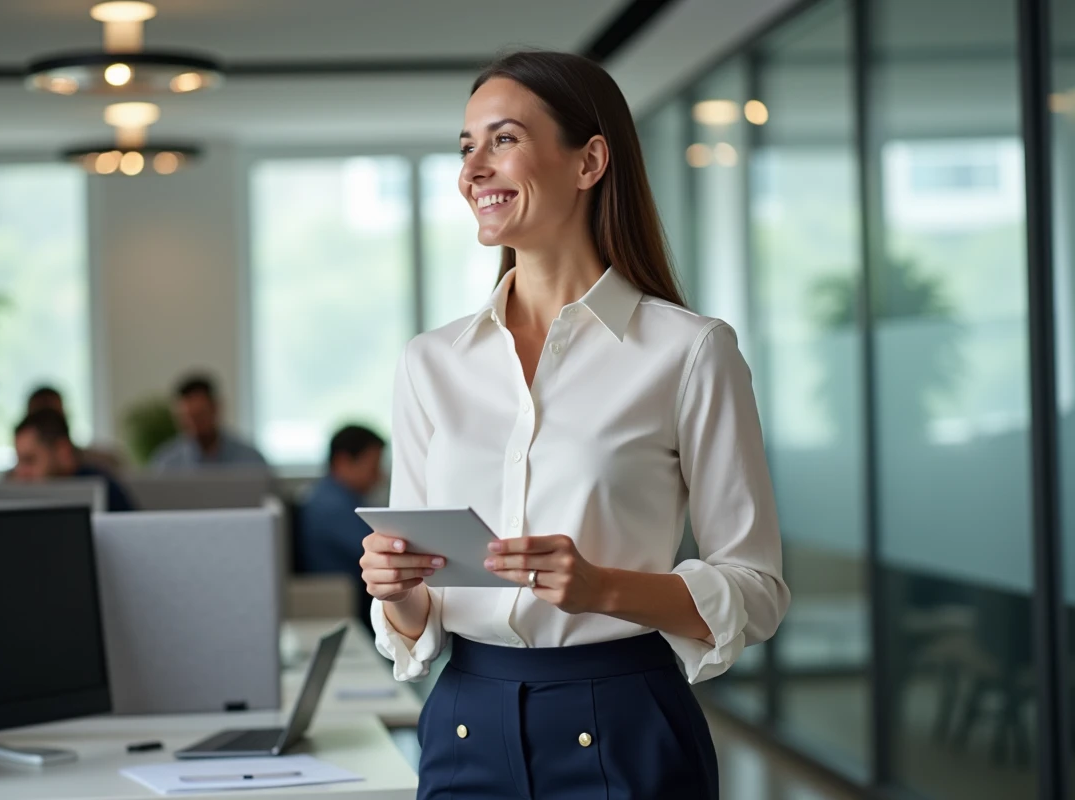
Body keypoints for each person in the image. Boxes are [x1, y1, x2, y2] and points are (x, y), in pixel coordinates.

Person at [360, 51, 790, 798]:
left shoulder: (690, 351)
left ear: (589, 161)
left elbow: (756, 589)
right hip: (463, 723)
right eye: (466, 147)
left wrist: (601, 587)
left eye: (503, 140)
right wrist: (394, 589)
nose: (473, 171)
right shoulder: (431, 362)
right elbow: (422, 604)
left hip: (625, 724)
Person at [296, 425, 387, 626]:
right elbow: (380, 549)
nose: (380, 476)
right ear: (343, 462)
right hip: (343, 603)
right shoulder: (332, 506)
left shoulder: (334, 496)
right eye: (373, 467)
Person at [13, 408, 135, 512]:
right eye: (19, 462)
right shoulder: (15, 496)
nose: (21, 473)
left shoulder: (103, 488)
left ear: (62, 451)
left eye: (29, 460)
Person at [149, 374, 267, 470]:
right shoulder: (166, 463)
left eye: (199, 415)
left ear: (216, 408)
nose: (193, 424)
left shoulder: (251, 459)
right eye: (186, 417)